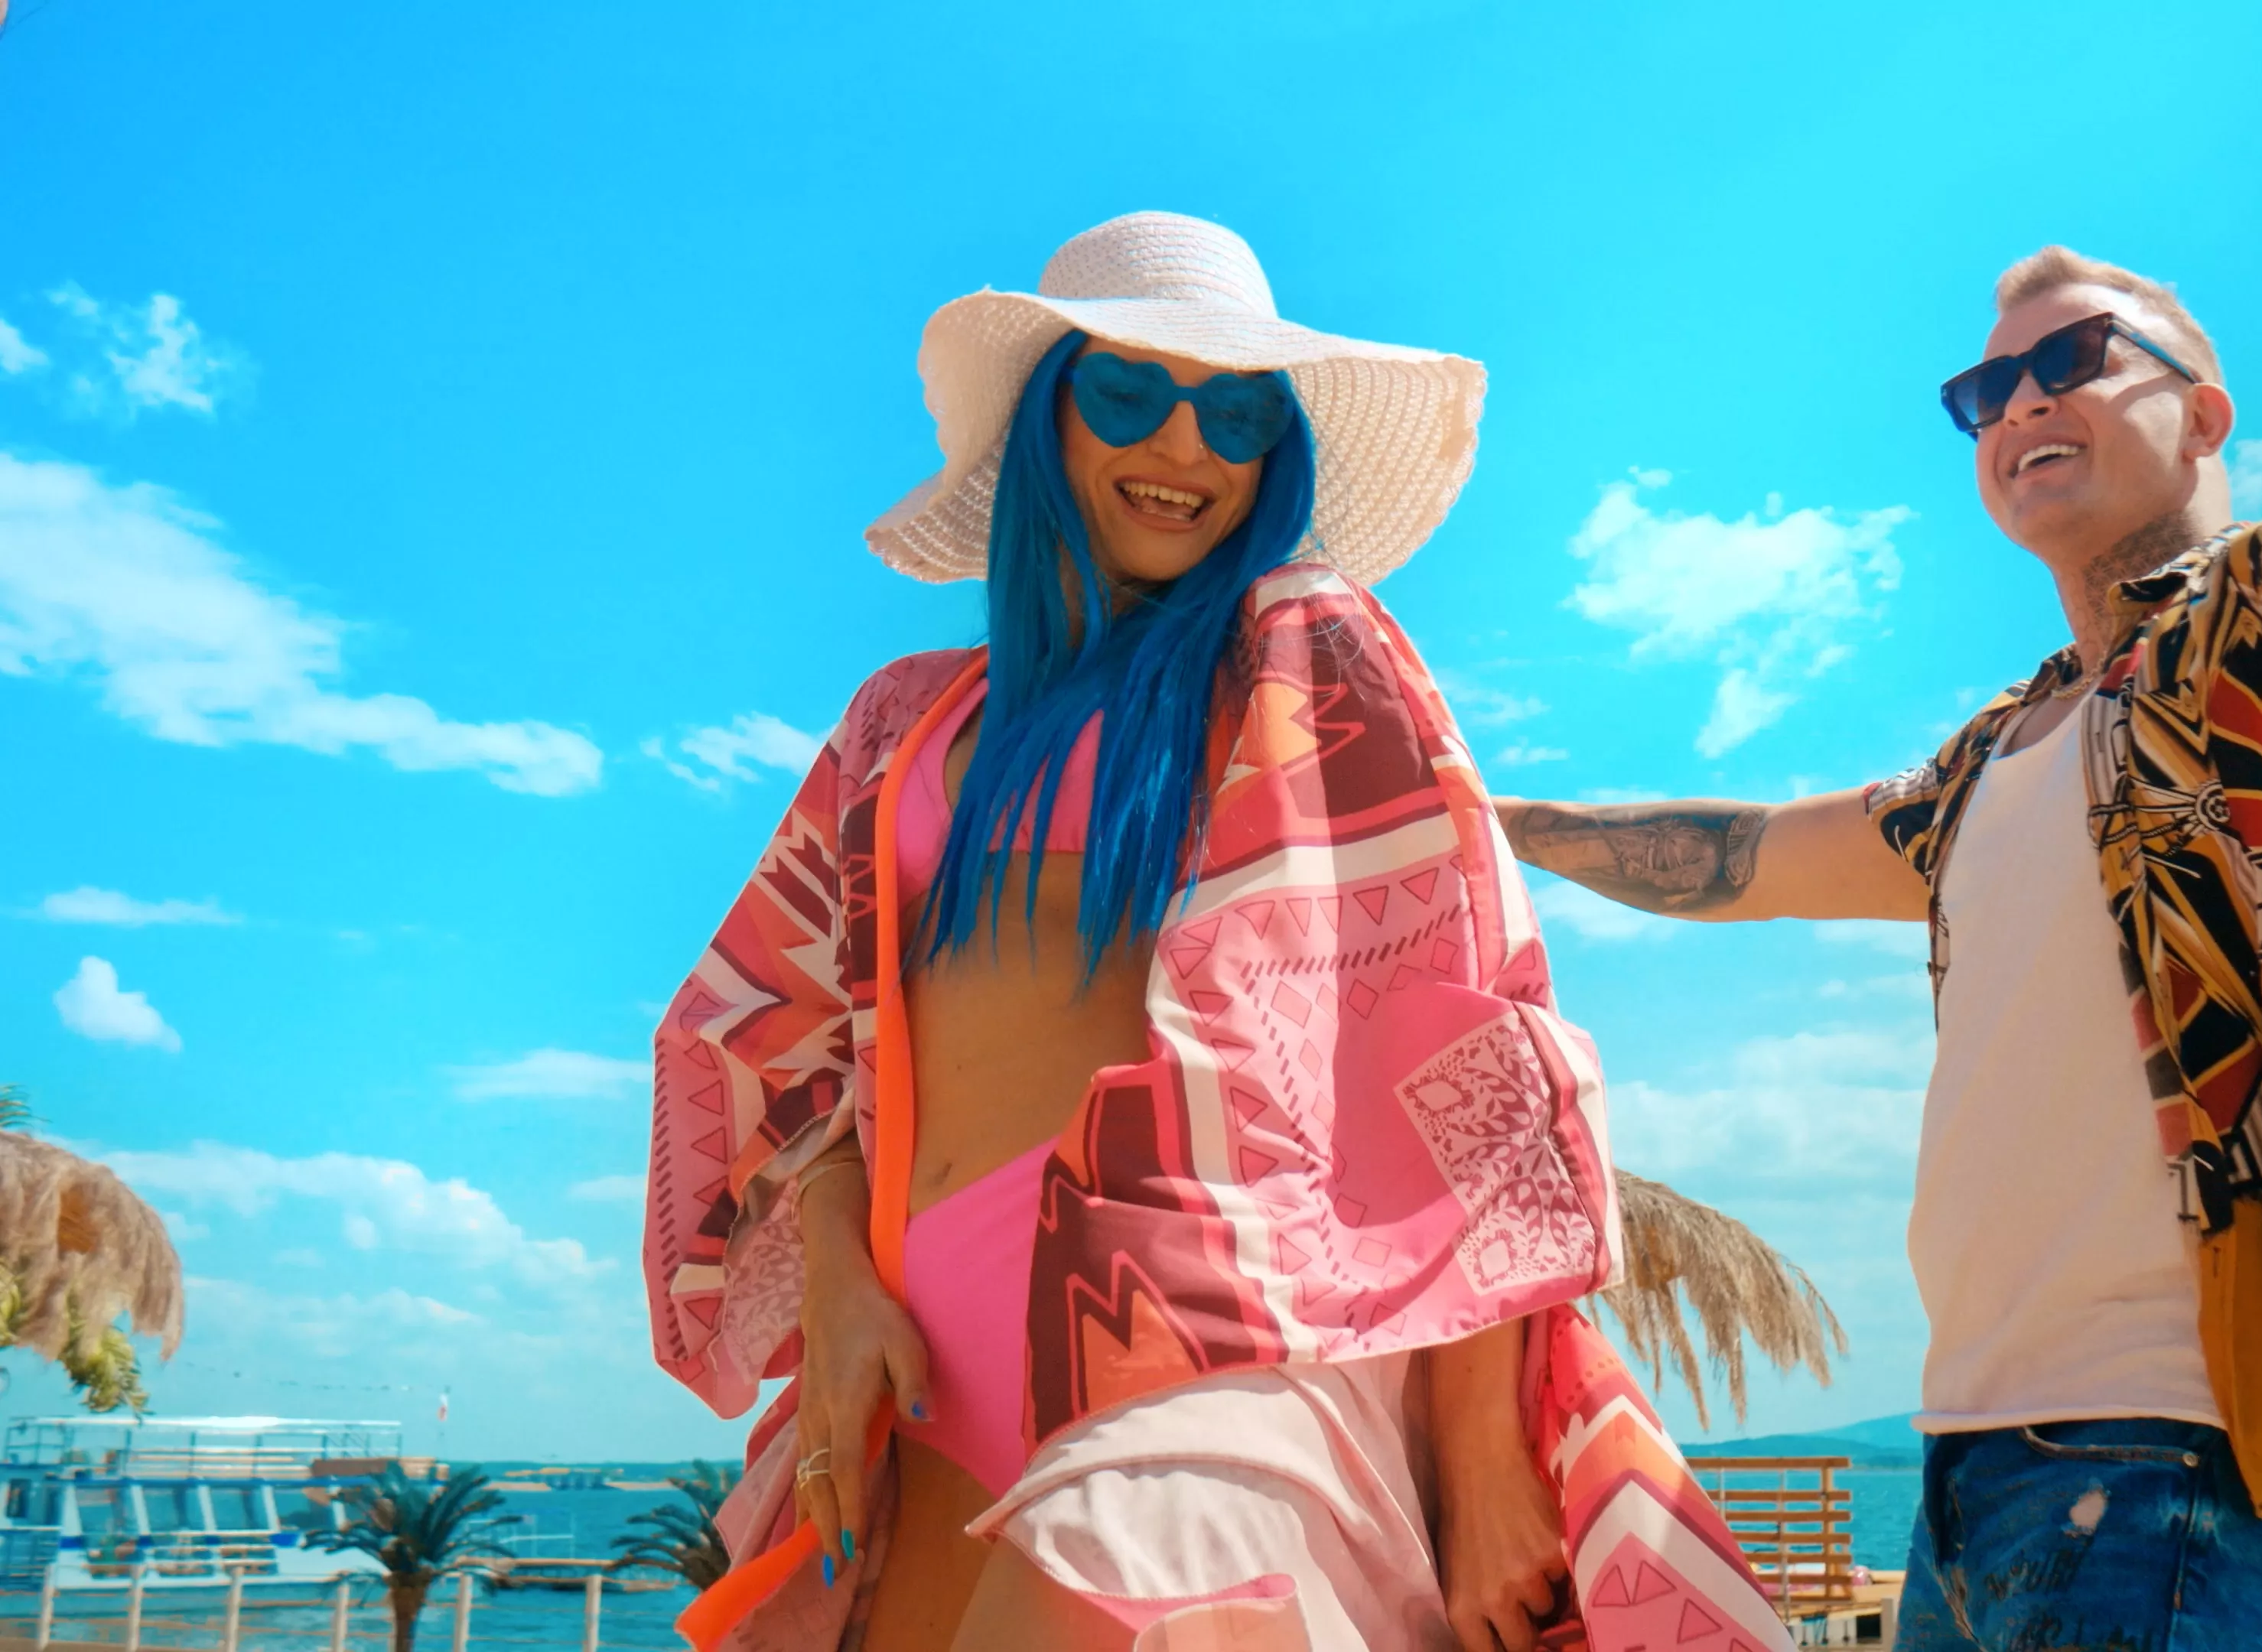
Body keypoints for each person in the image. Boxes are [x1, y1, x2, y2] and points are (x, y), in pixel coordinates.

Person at [1499, 6, 2262, 1644]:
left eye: (2073, 361)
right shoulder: (1995, 758)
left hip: (2187, 1452)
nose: (2018, 403)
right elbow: (1737, 859)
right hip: (1968, 1466)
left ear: (2205, 415)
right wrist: (1476, 811)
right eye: (1985, 389)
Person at [640, 213, 1787, 1652]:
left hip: (1203, 1356)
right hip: (921, 1380)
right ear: (1047, 416)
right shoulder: (901, 723)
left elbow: (1465, 1033)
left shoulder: (1302, 654)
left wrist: (1484, 1454)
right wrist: (838, 1286)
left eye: (1235, 414)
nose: (1185, 447)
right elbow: (782, 1046)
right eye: (1130, 393)